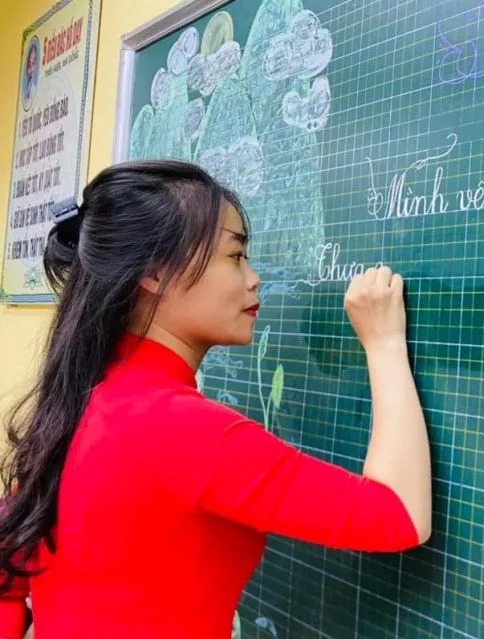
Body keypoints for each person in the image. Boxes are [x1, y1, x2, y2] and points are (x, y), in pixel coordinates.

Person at [0, 160, 432, 638]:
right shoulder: (180, 428)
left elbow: (8, 575)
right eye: (235, 255)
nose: (253, 278)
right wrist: (384, 343)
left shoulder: (76, 404)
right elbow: (397, 516)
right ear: (156, 272)